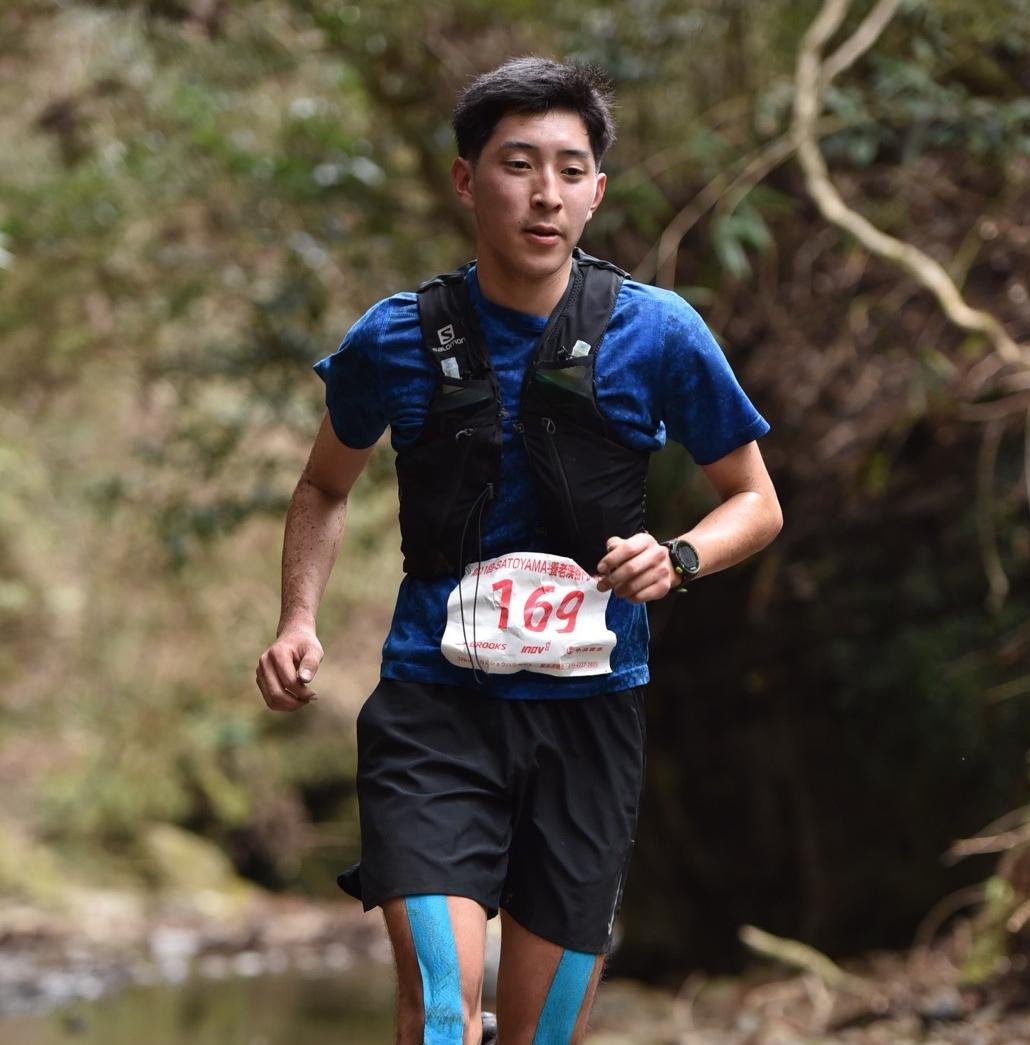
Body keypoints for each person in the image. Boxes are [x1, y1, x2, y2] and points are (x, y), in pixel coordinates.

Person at [255, 56, 782, 1045]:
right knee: (446, 1014)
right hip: (433, 709)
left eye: (570, 170)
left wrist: (678, 557)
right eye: (518, 164)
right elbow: (325, 483)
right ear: (466, 180)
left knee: (541, 1035)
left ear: (596, 192)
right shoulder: (397, 337)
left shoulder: (658, 332)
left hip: (591, 720)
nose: (546, 193)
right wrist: (297, 619)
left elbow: (753, 502)